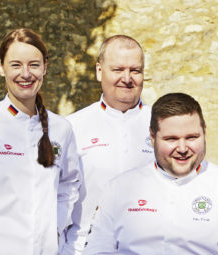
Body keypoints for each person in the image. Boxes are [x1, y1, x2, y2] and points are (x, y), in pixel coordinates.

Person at [0, 28, 81, 255]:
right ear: (1, 67)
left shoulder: (62, 129)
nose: (25, 74)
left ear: (45, 67)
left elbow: (69, 186)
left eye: (34, 65)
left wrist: (55, 228)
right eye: (16, 65)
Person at [82, 92, 218, 255]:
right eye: (171, 139)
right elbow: (97, 250)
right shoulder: (118, 188)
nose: (182, 149)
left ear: (204, 132)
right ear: (152, 137)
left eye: (191, 137)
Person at [61, 35, 154, 254]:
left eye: (135, 70)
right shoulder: (72, 127)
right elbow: (57, 197)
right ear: (99, 71)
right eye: (118, 69)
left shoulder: (163, 127)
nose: (127, 78)